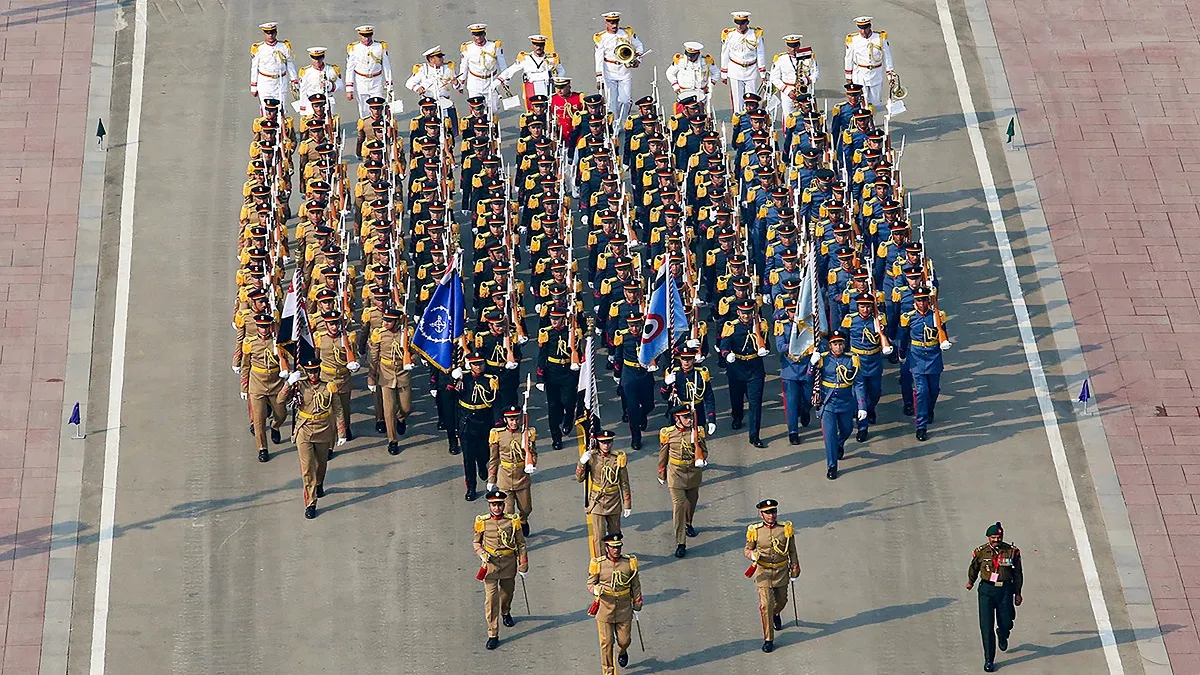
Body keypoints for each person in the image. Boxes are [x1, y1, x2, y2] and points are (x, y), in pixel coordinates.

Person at [473, 489, 528, 650]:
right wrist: (482, 553)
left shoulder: (512, 521)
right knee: (491, 600)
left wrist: (523, 564)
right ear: (490, 506)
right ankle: (493, 633)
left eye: (499, 505)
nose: (497, 508)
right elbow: (476, 542)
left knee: (507, 593)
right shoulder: (482, 522)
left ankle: (506, 611)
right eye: (494, 505)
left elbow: (521, 544)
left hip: (508, 563)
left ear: (504, 505)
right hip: (490, 566)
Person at [808, 329, 866, 480]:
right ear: (829, 346)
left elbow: (858, 384)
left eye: (840, 344)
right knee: (830, 436)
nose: (838, 347)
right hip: (828, 403)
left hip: (846, 402)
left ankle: (840, 444)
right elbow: (809, 380)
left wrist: (862, 406)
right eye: (835, 344)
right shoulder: (823, 359)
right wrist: (811, 364)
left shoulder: (852, 359)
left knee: (847, 430)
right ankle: (832, 465)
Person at [744, 499, 800, 653]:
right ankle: (769, 639)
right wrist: (753, 555)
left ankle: (776, 613)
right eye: (768, 512)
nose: (771, 515)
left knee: (782, 600)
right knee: (765, 605)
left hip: (781, 572)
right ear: (761, 514)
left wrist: (795, 567)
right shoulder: (754, 530)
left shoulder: (785, 529)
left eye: (773, 511)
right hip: (763, 572)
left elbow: (792, 550)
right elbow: (747, 550)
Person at [967, 522, 1023, 672]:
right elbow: (973, 568)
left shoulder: (1011, 552)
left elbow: (1017, 574)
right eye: (993, 537)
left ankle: (1003, 633)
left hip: (1005, 590)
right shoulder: (981, 552)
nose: (996, 540)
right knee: (986, 626)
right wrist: (970, 582)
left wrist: (1018, 593)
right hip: (986, 591)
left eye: (999, 537)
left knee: (1006, 621)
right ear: (988, 538)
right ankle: (989, 660)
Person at [897, 286, 949, 441]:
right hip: (917, 357)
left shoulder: (938, 316)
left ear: (929, 300)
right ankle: (921, 426)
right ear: (915, 302)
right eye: (919, 300)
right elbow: (904, 337)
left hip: (933, 356)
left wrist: (944, 342)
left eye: (924, 300)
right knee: (921, 391)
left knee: (934, 390)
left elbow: (943, 334)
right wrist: (902, 354)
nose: (922, 303)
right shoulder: (909, 317)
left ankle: (929, 409)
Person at [284, 360, 335, 519]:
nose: (313, 375)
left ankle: (319, 483)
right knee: (307, 469)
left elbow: (337, 407)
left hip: (323, 429)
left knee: (321, 463)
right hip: (304, 430)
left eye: (316, 371)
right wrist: (288, 384)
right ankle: (311, 503)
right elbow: (280, 400)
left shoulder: (328, 386)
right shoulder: (299, 386)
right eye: (310, 371)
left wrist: (341, 430)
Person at [587, 532, 643, 674]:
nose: (616, 550)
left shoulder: (629, 563)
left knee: (624, 640)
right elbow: (590, 583)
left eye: (618, 547)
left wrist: (637, 603)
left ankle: (622, 651)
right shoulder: (598, 564)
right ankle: (608, 671)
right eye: (613, 547)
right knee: (606, 643)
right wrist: (595, 590)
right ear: (606, 548)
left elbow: (635, 585)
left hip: (624, 608)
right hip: (605, 609)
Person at [718, 299, 770, 447]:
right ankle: (737, 416)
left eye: (749, 313)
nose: (746, 316)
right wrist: (727, 354)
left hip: (755, 369)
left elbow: (767, 345)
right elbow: (724, 346)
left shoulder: (760, 326)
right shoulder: (731, 326)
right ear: (738, 312)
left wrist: (764, 350)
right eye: (743, 313)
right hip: (737, 368)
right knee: (737, 398)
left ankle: (754, 436)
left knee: (755, 404)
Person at [658, 405, 708, 558]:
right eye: (685, 417)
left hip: (693, 473)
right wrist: (661, 472)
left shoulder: (697, 432)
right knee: (679, 506)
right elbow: (663, 454)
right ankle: (681, 542)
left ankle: (689, 523)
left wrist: (701, 457)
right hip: (676, 474)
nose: (689, 419)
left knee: (691, 502)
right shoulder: (668, 434)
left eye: (689, 416)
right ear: (677, 418)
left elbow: (704, 451)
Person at [239, 314, 288, 463]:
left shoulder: (277, 343)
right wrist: (244, 387)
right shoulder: (250, 343)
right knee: (259, 420)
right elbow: (246, 365)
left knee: (281, 414)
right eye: (261, 326)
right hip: (257, 385)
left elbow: (285, 360)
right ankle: (262, 448)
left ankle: (275, 426)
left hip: (275, 383)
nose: (263, 330)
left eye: (266, 326)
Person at [577, 429, 632, 558]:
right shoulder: (593, 458)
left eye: (608, 442)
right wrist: (582, 462)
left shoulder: (618, 458)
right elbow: (580, 478)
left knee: (615, 534)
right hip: (597, 500)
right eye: (603, 443)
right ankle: (600, 561)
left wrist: (627, 503)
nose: (606, 445)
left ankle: (614, 557)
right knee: (598, 535)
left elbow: (624, 482)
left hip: (613, 500)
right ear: (598, 443)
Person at [367, 307, 414, 455]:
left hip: (402, 373)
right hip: (385, 374)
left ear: (397, 321)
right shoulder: (379, 334)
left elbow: (415, 351)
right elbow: (373, 356)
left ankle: (400, 418)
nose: (386, 323)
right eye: (385, 320)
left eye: (389, 321)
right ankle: (392, 440)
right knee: (388, 410)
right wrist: (372, 375)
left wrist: (411, 360)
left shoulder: (406, 333)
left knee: (406, 407)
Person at [455, 352, 499, 501]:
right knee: (468, 458)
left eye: (480, 363)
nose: (478, 366)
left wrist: (498, 423)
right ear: (470, 365)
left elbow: (496, 403)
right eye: (475, 364)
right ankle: (471, 487)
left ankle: (482, 465)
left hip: (484, 421)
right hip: (467, 423)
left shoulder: (490, 380)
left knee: (484, 453)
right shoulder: (463, 378)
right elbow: (453, 400)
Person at [487, 406, 538, 535]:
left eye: (516, 419)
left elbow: (533, 453)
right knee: (508, 512)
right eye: (511, 419)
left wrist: (531, 463)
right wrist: (491, 479)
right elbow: (494, 459)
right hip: (505, 478)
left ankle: (523, 521)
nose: (514, 422)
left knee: (526, 508)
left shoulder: (526, 434)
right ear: (505, 419)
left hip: (522, 477)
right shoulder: (498, 434)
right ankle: (512, 535)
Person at [594, 11, 644, 126]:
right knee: (612, 101)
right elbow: (599, 58)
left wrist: (638, 60)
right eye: (611, 23)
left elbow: (639, 46)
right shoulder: (601, 37)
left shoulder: (626, 33)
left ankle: (623, 122)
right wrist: (599, 77)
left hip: (624, 70)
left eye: (616, 22)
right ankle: (614, 124)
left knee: (625, 100)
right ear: (606, 23)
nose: (614, 25)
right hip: (609, 71)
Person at [720, 11, 765, 113]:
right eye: (737, 23)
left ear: (747, 22)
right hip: (735, 69)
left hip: (751, 68)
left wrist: (762, 74)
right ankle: (738, 121)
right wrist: (724, 73)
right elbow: (725, 53)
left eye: (742, 23)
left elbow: (761, 54)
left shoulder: (755, 34)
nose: (739, 26)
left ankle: (752, 119)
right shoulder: (729, 35)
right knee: (737, 99)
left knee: (752, 99)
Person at [843, 16, 894, 108]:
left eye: (865, 28)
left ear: (870, 26)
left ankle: (872, 120)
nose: (863, 31)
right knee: (863, 101)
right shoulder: (853, 40)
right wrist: (848, 76)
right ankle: (864, 120)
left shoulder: (879, 38)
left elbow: (887, 56)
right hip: (860, 75)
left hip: (876, 74)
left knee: (875, 102)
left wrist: (890, 74)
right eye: (861, 28)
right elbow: (848, 58)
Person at [500, 34, 565, 105]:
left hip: (547, 88)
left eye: (541, 45)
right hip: (531, 89)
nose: (538, 47)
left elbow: (561, 71)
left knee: (548, 110)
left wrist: (557, 81)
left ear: (544, 45)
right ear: (533, 45)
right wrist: (500, 80)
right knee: (532, 110)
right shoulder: (525, 58)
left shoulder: (551, 58)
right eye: (536, 45)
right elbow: (511, 69)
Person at [249, 22, 298, 114]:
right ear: (264, 34)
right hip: (264, 82)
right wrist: (253, 86)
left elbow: (290, 65)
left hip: (280, 81)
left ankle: (282, 127)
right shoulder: (259, 48)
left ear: (276, 33)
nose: (270, 35)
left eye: (272, 32)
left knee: (281, 109)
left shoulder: (284, 46)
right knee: (266, 109)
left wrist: (294, 81)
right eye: (268, 33)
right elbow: (254, 68)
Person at [346, 25, 393, 119]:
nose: (366, 38)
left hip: (376, 80)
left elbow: (387, 67)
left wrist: (389, 86)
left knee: (378, 105)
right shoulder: (354, 48)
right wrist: (349, 89)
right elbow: (350, 69)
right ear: (359, 35)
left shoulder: (380, 46)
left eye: (369, 35)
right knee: (363, 108)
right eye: (364, 35)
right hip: (360, 81)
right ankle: (367, 128)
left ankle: (379, 128)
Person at [460, 24, 507, 116]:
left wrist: (505, 81)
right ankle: (479, 128)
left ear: (484, 34)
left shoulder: (494, 46)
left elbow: (502, 64)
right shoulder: (467, 48)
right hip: (475, 82)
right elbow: (464, 66)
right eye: (476, 34)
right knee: (476, 110)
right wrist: (461, 83)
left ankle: (492, 128)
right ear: (472, 35)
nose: (478, 37)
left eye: (480, 34)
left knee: (494, 110)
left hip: (491, 81)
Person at [769, 35, 818, 121]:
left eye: (795, 46)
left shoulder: (808, 57)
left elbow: (816, 73)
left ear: (799, 45)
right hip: (788, 92)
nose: (793, 49)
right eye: (790, 46)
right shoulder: (781, 59)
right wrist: (787, 91)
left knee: (807, 116)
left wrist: (806, 81)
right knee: (789, 117)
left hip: (804, 91)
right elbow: (774, 78)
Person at [665, 42, 717, 109]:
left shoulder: (706, 61)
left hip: (700, 91)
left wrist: (710, 85)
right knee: (684, 111)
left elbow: (716, 73)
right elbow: (669, 73)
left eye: (692, 56)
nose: (689, 58)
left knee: (701, 112)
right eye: (688, 55)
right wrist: (675, 85)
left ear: (698, 54)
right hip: (684, 91)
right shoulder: (680, 61)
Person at [297, 47, 342, 113]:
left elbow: (340, 86)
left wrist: (329, 85)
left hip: (327, 101)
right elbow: (303, 90)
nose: (317, 60)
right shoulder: (305, 71)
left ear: (323, 57)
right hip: (312, 102)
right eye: (314, 58)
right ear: (311, 57)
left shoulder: (331, 69)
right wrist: (302, 107)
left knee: (329, 122)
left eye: (319, 57)